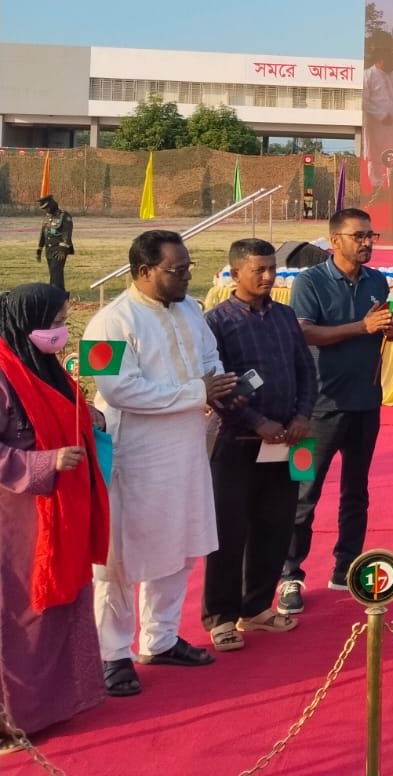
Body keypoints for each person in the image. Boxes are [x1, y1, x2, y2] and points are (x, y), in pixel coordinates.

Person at [87, 230, 238, 693]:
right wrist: (195, 393)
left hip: (188, 447)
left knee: (181, 543)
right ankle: (113, 654)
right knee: (120, 558)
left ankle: (162, 638)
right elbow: (116, 389)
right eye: (177, 270)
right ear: (143, 271)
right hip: (134, 455)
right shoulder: (108, 323)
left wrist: (218, 388)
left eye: (188, 268)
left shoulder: (191, 309)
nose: (186, 276)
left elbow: (209, 355)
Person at [0, 283, 109, 743]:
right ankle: (11, 719)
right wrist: (44, 462)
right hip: (18, 518)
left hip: (60, 512)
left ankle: (52, 706)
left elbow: (66, 413)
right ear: (28, 323)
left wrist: (90, 421)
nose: (62, 330)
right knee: (19, 615)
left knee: (58, 609)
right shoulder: (4, 374)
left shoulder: (41, 364)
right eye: (56, 321)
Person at [280, 209, 393, 615]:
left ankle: (347, 567)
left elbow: (382, 323)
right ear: (335, 242)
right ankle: (289, 576)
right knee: (301, 494)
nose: (368, 242)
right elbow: (303, 332)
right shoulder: (310, 281)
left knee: (356, 492)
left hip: (365, 403)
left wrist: (389, 328)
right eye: (359, 236)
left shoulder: (376, 280)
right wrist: (360, 328)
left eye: (371, 234)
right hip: (315, 408)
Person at [201, 239, 316, 649]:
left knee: (276, 524)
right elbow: (217, 388)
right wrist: (257, 420)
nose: (269, 277)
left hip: (288, 442)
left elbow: (306, 372)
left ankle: (257, 607)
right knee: (229, 532)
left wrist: (302, 416)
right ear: (235, 274)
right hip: (236, 441)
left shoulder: (285, 316)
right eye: (259, 271)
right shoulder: (216, 323)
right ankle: (221, 616)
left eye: (272, 269)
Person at [362, 47, 393, 187]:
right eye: (389, 60)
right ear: (379, 60)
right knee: (376, 153)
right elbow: (364, 101)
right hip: (377, 124)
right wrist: (381, 116)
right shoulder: (368, 75)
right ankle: (376, 184)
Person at [36, 195, 75, 293]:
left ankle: (58, 295)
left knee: (56, 273)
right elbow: (43, 233)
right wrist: (39, 248)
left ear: (52, 204)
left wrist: (63, 249)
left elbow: (67, 233)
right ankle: (56, 294)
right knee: (53, 274)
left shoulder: (64, 216)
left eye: (47, 207)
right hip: (49, 250)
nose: (46, 210)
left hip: (59, 250)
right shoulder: (47, 217)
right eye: (44, 208)